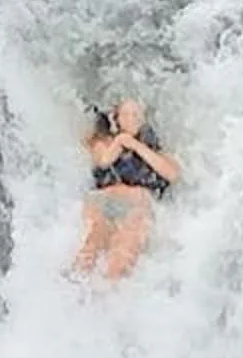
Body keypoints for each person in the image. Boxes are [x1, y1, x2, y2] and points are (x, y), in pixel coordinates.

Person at [71, 98, 179, 279]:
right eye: (127, 114)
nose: (132, 118)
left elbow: (172, 174)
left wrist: (136, 146)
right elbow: (103, 160)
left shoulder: (156, 152)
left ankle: (109, 294)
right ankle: (73, 288)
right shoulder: (103, 143)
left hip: (137, 206)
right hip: (104, 202)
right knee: (94, 239)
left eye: (136, 114)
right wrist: (120, 142)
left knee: (124, 249)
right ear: (117, 119)